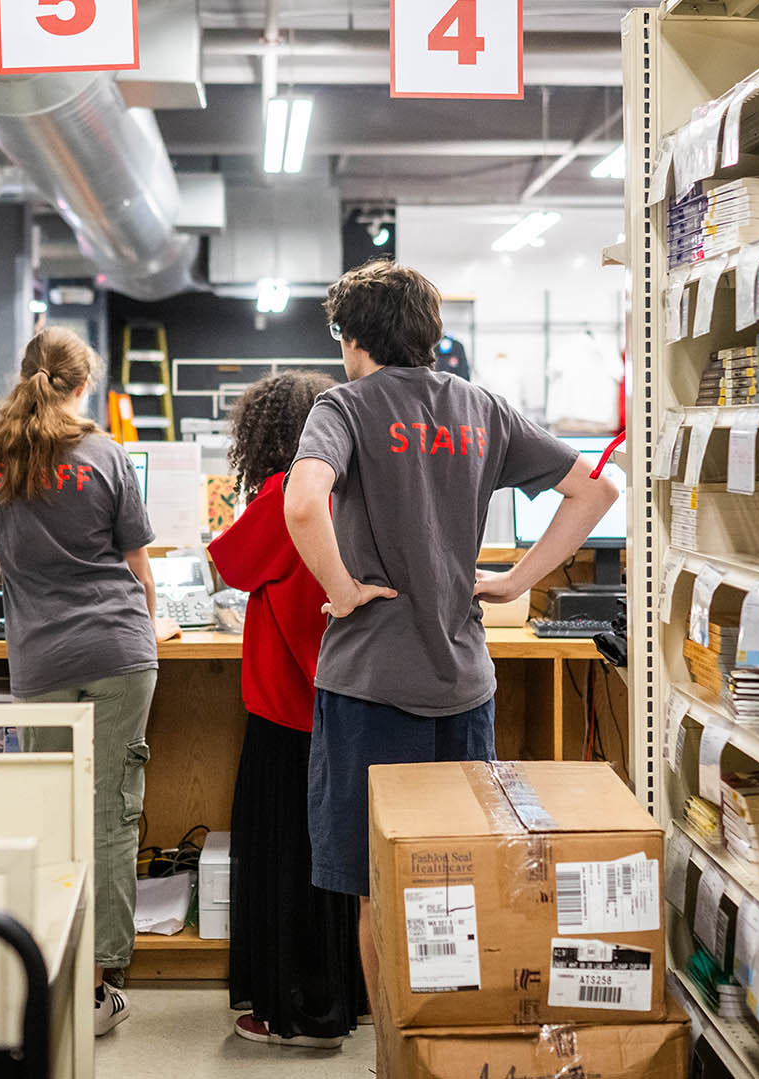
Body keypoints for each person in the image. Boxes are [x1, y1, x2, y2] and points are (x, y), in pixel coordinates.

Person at [282, 260, 621, 1020]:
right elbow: (596, 491)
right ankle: (450, 1040)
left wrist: (341, 591)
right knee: (454, 879)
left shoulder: (345, 405)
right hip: (463, 684)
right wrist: (516, 578)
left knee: (382, 885)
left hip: (371, 685)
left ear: (352, 336)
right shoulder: (482, 407)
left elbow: (303, 504)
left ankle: (400, 1053)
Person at [0, 328, 176, 1038]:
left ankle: (52, 965)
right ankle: (98, 986)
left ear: (24, 375)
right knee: (113, 813)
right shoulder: (107, 455)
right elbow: (139, 573)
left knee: (53, 812)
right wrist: (151, 628)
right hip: (119, 655)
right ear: (83, 385)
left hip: (44, 662)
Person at [207, 370, 365, 1050]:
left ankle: (294, 1011)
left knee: (284, 863)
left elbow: (229, 565)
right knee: (338, 866)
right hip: (345, 703)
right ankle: (345, 994)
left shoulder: (280, 497)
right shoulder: (349, 496)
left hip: (286, 712)